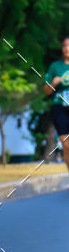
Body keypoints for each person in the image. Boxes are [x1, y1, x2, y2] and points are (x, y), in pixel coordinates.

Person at [44, 36, 69, 171]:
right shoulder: (55, 66)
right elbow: (46, 90)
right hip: (60, 107)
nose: (67, 48)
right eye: (64, 45)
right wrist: (53, 83)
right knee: (66, 145)